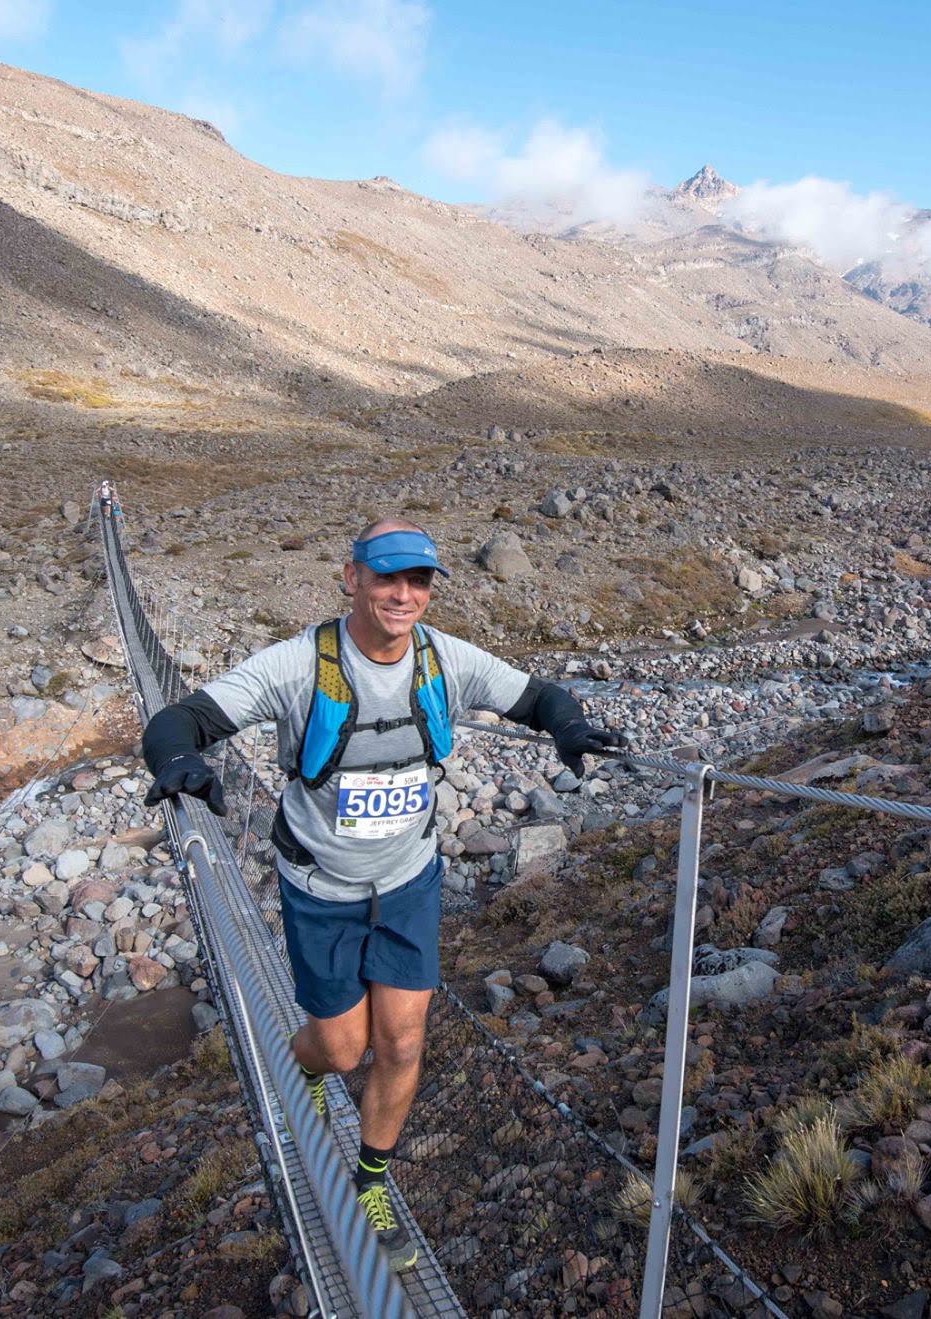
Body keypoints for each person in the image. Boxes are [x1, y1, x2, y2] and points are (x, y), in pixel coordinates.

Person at [141, 517, 624, 1271]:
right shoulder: (299, 665)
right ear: (351, 577)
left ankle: (373, 1180)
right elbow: (185, 716)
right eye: (387, 576)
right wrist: (176, 759)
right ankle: (301, 1065)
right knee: (341, 1047)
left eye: (419, 580)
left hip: (406, 883)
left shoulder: (444, 660)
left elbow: (537, 696)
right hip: (320, 887)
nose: (404, 593)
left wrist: (569, 726)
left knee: (401, 1040)